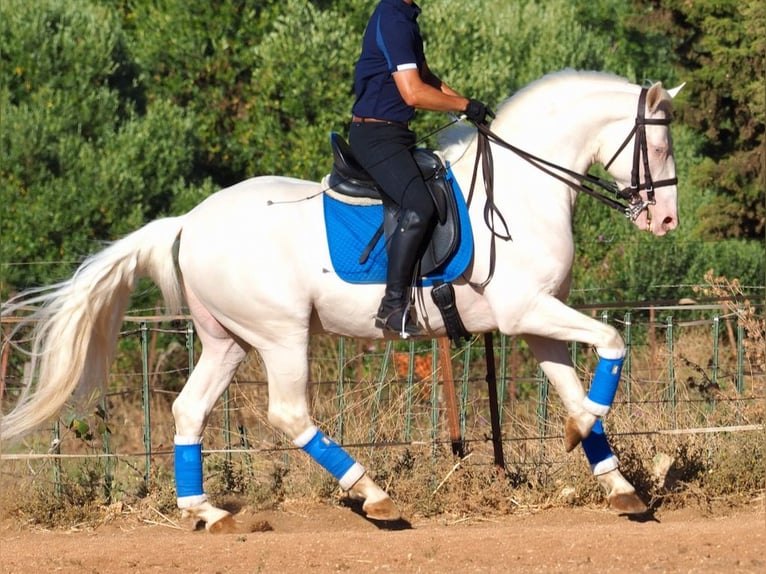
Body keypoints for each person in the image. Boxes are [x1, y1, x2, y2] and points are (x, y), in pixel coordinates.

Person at [348, 0, 492, 338]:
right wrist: (462, 105)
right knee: (419, 204)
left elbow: (426, 77)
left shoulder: (406, 18)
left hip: (396, 135)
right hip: (375, 138)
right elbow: (412, 92)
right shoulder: (393, 17)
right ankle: (393, 305)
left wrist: (468, 109)